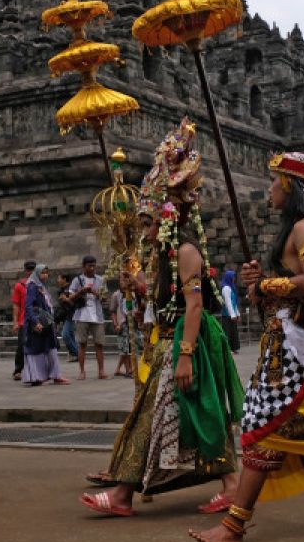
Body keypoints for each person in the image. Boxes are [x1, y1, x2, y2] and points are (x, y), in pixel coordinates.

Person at [190, 125, 304, 542]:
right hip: (287, 341)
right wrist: (260, 284)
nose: (269, 189)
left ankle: (235, 525)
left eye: (274, 181)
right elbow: (286, 289)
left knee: (261, 425)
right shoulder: (294, 231)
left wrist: (270, 286)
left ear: (289, 185)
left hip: (296, 350)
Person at [80, 118, 242, 518]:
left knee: (166, 413)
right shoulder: (163, 256)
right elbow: (162, 299)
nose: (144, 229)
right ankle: (232, 485)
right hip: (169, 342)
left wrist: (185, 354)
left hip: (188, 343)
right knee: (196, 413)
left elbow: (195, 306)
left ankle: (122, 495)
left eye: (149, 222)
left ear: (167, 219)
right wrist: (135, 285)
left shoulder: (185, 252)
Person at [23, 264, 70, 386]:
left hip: (46, 321)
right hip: (38, 323)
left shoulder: (41, 286)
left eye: (46, 272)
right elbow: (28, 306)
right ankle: (36, 376)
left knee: (50, 348)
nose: (45, 275)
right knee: (36, 349)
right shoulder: (33, 286)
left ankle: (55, 375)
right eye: (42, 273)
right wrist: (35, 322)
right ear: (37, 273)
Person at [70, 255, 108, 380]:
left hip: (97, 315)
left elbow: (104, 298)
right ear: (83, 266)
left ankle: (101, 370)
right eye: (89, 266)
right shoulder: (77, 280)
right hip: (82, 316)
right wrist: (81, 291)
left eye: (93, 266)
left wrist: (93, 292)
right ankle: (82, 371)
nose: (92, 268)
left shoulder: (100, 280)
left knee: (99, 344)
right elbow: (70, 297)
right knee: (82, 344)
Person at [109, 268, 141, 378]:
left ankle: (131, 369)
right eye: (122, 280)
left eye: (126, 279)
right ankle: (128, 370)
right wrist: (116, 324)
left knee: (134, 347)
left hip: (135, 323)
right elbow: (112, 311)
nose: (124, 282)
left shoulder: (134, 293)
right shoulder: (116, 295)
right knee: (125, 349)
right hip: (122, 324)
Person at [11, 261, 35, 381]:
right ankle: (18, 369)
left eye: (33, 269)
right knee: (22, 345)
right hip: (23, 320)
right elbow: (16, 305)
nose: (30, 272)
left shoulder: (39, 285)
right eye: (29, 270)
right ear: (25, 270)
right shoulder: (20, 286)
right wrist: (15, 322)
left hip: (36, 320)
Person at [55, 272, 80, 362]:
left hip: (72, 314)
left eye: (59, 278)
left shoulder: (71, 289)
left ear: (64, 279)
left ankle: (76, 353)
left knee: (65, 335)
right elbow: (61, 306)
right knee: (70, 335)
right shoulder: (60, 290)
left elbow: (75, 305)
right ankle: (75, 354)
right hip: (64, 315)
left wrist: (66, 299)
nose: (58, 280)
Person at [219, 267, 241, 354]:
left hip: (232, 315)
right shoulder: (226, 288)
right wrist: (232, 315)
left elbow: (234, 303)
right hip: (226, 315)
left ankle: (234, 348)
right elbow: (228, 303)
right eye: (233, 277)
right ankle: (228, 349)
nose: (234, 279)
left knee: (233, 332)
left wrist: (237, 313)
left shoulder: (232, 288)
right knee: (227, 332)